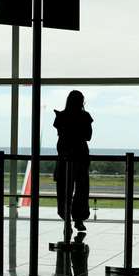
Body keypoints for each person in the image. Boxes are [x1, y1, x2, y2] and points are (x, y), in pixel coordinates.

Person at [54, 90, 93, 232]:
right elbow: (88, 136)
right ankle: (78, 219)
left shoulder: (62, 117)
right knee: (81, 190)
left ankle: (67, 220)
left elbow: (61, 135)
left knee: (64, 190)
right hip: (80, 156)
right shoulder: (85, 117)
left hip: (65, 156)